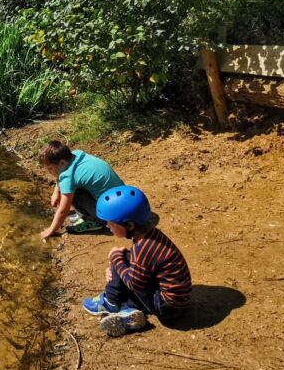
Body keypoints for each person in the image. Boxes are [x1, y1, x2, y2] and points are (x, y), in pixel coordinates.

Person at [81, 185, 192, 337]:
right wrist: (120, 267)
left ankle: (110, 302)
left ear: (130, 225)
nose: (107, 226)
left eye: (111, 223)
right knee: (125, 258)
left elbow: (134, 284)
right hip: (177, 303)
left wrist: (116, 261)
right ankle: (129, 310)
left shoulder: (143, 246)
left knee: (120, 259)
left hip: (167, 308)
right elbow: (141, 266)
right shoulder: (150, 236)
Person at [37, 140, 123, 239]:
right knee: (71, 186)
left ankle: (96, 221)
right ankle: (94, 215)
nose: (49, 172)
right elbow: (61, 175)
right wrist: (56, 191)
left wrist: (50, 230)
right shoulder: (76, 154)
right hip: (123, 196)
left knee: (73, 192)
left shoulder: (68, 177)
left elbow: (63, 210)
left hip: (111, 213)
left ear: (61, 163)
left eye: (50, 169)